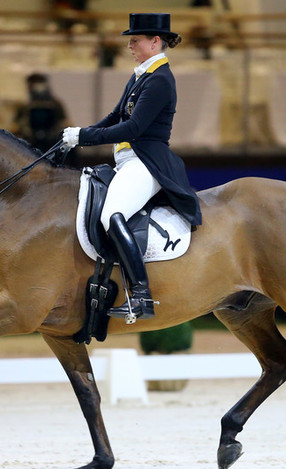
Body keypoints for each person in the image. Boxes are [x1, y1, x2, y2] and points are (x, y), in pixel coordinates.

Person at [61, 13, 202, 322]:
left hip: (147, 162)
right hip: (127, 161)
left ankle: (140, 296)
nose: (130, 46)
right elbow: (115, 117)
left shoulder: (161, 79)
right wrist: (79, 134)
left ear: (155, 42)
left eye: (135, 40)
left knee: (113, 215)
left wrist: (85, 137)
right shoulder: (141, 75)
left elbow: (133, 127)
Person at [13, 73, 69, 154]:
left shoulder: (55, 104)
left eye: (39, 82)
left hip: (52, 139)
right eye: (34, 83)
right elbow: (16, 124)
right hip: (29, 138)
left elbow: (64, 120)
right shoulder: (24, 105)